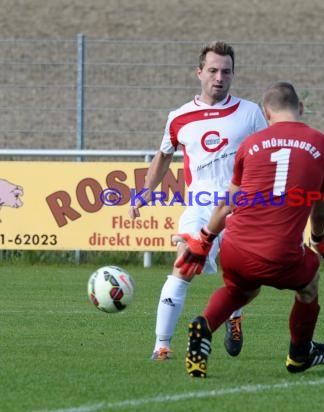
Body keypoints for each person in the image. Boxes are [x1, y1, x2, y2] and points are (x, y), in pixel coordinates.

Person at [174, 81, 324, 378]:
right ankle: (300, 355)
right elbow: (320, 204)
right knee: (309, 283)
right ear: (301, 108)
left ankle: (204, 324)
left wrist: (203, 241)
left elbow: (228, 203)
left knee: (240, 289)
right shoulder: (321, 145)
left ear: (266, 114)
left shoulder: (250, 146)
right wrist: (319, 238)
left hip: (235, 248)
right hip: (280, 253)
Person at [128, 41, 267, 361]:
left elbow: (267, 153)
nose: (219, 77)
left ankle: (234, 314)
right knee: (184, 264)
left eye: (226, 72)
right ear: (199, 72)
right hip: (201, 207)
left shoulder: (250, 113)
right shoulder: (179, 117)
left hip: (241, 208)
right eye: (213, 71)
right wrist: (146, 191)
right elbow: (164, 155)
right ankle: (161, 345)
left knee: (247, 280)